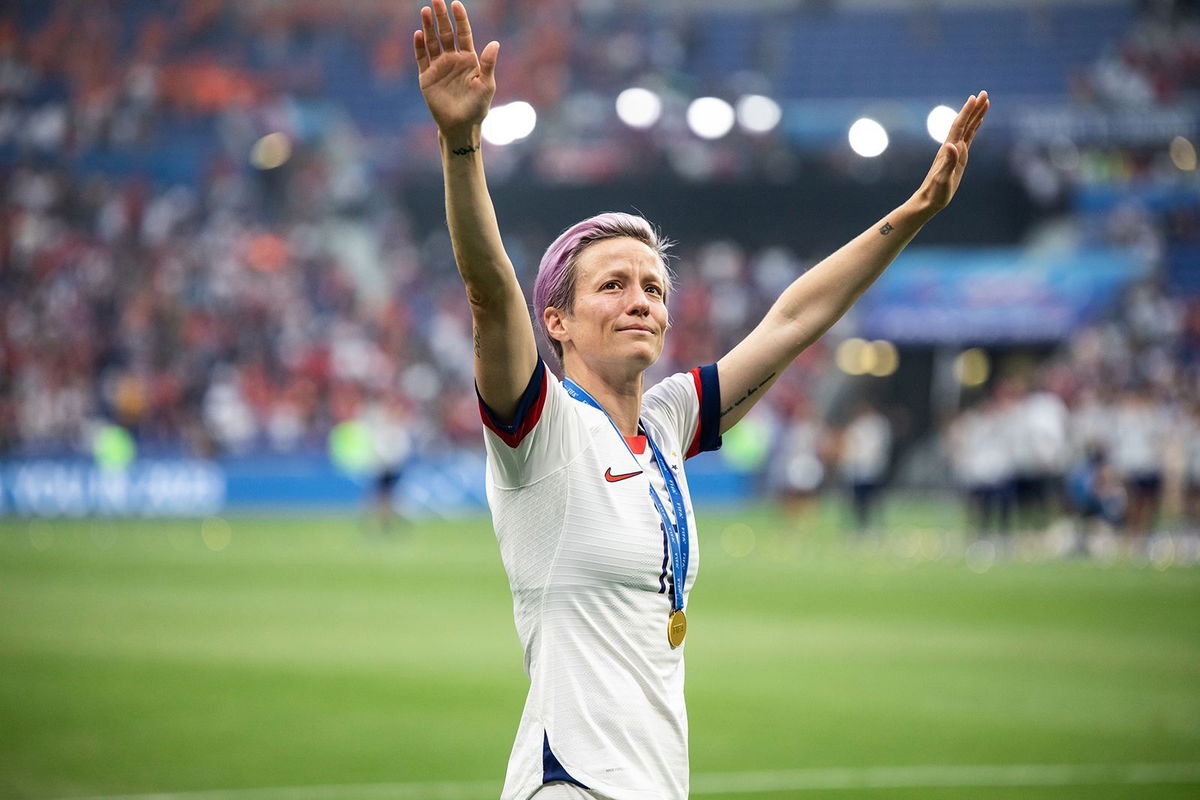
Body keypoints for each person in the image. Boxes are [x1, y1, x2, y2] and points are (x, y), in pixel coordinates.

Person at [412, 2, 989, 796]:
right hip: (573, 784)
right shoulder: (539, 431)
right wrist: (460, 142)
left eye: (653, 286)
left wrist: (915, 212)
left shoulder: (666, 421)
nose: (642, 299)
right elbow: (488, 291)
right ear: (558, 321)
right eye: (612, 286)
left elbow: (794, 317)